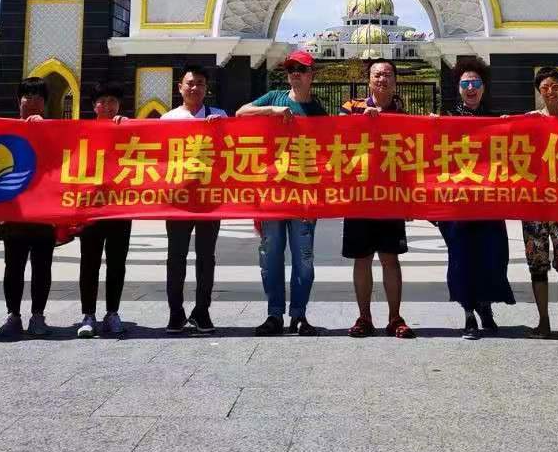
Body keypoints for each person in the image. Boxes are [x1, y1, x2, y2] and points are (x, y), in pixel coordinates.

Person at [237, 49, 326, 336]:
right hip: (272, 195)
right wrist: (271, 111)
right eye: (291, 70)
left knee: (304, 259)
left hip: (303, 198)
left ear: (311, 75)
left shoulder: (318, 111)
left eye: (301, 70)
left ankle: (298, 315)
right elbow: (240, 113)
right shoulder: (275, 97)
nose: (295, 75)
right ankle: (274, 314)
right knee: (271, 256)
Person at [340, 58, 415, 339]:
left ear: (395, 81)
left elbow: (411, 157)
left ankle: (395, 318)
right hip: (358, 196)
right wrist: (362, 120)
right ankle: (364, 317)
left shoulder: (403, 114)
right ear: (368, 80)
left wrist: (409, 200)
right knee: (362, 258)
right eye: (376, 74)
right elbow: (336, 137)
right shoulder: (351, 107)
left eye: (387, 75)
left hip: (391, 197)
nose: (382, 79)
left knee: (390, 258)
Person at [440, 58, 514, 340]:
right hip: (458, 204)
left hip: (489, 203)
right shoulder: (446, 119)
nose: (471, 88)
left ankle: (485, 306)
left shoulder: (495, 119)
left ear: (484, 87)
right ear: (458, 88)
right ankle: (469, 313)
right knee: (462, 258)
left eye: (476, 83)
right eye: (465, 84)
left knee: (492, 256)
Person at [160, 64, 227, 334]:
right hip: (178, 198)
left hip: (209, 198)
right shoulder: (168, 119)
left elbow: (235, 150)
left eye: (200, 83)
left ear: (206, 88)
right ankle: (175, 312)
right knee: (175, 256)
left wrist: (220, 131)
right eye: (190, 83)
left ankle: (202, 311)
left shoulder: (219, 116)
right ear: (179, 87)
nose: (194, 87)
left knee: (205, 257)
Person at [0, 77, 58, 339]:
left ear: (45, 103)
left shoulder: (56, 131)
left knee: (42, 267)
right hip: (15, 213)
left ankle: (38, 316)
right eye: (27, 96)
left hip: (44, 213)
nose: (32, 102)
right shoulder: (3, 130)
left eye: (38, 97)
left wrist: (45, 131)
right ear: (18, 101)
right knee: (14, 266)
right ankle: (13, 316)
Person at [521, 66, 558, 339]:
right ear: (538, 91)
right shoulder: (528, 123)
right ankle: (543, 320)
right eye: (545, 87)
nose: (551, 91)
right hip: (534, 206)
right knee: (538, 263)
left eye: (556, 86)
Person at [77, 83, 132, 339]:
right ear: (93, 106)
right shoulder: (81, 131)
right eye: (104, 101)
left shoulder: (128, 129)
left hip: (120, 207)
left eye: (113, 101)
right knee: (89, 262)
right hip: (91, 207)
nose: (109, 106)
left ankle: (112, 312)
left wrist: (131, 128)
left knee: (117, 263)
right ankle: (88, 313)